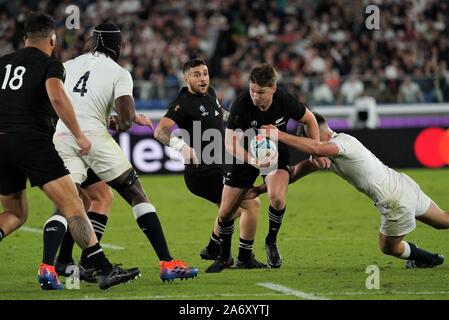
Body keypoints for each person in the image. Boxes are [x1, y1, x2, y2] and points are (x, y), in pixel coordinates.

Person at [45, 21, 198, 283]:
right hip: (92, 138)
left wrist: (106, 119)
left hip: (62, 135)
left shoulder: (67, 66)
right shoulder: (119, 72)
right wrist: (121, 120)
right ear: (117, 45)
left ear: (93, 41)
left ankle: (55, 265)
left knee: (75, 200)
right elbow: (126, 122)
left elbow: (61, 104)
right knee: (134, 192)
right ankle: (168, 263)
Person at [0, 12, 139, 290]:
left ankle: (84, 267)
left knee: (16, 214)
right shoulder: (50, 64)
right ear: (52, 39)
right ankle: (100, 269)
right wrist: (78, 134)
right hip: (31, 142)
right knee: (74, 204)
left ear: (24, 38)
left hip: (1, 142)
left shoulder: (2, 63)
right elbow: (56, 96)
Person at [253, 112, 447, 268]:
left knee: (389, 248)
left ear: (322, 135)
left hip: (394, 201)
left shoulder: (342, 144)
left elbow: (318, 149)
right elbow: (295, 172)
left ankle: (429, 259)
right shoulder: (326, 152)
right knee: (444, 221)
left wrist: (278, 135)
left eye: (312, 142)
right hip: (404, 185)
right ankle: (429, 259)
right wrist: (259, 189)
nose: (311, 149)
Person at [206, 63, 322, 272]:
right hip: (246, 156)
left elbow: (310, 119)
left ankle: (271, 242)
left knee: (277, 198)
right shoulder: (240, 103)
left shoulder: (284, 100)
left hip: (276, 155)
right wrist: (252, 160)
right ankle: (224, 257)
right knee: (225, 212)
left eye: (261, 92)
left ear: (273, 89)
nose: (255, 96)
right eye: (252, 90)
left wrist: (316, 149)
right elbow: (229, 142)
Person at [155, 58, 265, 268]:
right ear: (186, 78)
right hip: (201, 172)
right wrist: (181, 147)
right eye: (197, 74)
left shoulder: (211, 94)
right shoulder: (183, 103)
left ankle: (217, 250)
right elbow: (159, 131)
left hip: (219, 164)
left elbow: (220, 114)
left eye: (205, 73)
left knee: (230, 211)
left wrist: (238, 120)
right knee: (250, 205)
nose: (203, 78)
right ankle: (237, 256)